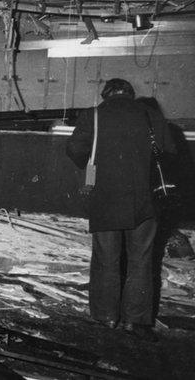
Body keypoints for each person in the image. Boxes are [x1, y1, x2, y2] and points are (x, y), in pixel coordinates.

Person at [66, 78, 175, 341]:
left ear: (106, 95)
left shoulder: (93, 115)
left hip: (105, 199)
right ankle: (135, 321)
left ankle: (106, 317)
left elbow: (75, 151)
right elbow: (169, 152)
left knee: (106, 258)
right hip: (144, 201)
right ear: (131, 94)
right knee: (141, 260)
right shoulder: (150, 114)